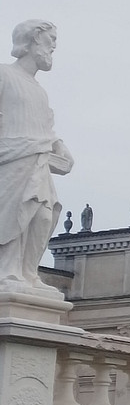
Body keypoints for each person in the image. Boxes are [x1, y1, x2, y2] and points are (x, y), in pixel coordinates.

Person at [0, 20, 73, 290]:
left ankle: (28, 273)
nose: (53, 45)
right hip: (11, 158)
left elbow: (45, 127)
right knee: (14, 215)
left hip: (39, 159)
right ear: (31, 41)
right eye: (49, 39)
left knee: (43, 217)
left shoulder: (39, 90)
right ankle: (6, 273)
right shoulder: (4, 74)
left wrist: (59, 145)